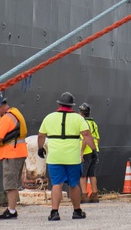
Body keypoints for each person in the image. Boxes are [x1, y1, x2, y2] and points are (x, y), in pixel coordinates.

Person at [37, 92, 96, 221]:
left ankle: (54, 212)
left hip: (55, 157)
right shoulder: (78, 118)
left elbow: (41, 135)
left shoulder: (49, 117)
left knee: (57, 184)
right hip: (72, 158)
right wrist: (93, 150)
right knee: (74, 184)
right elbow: (86, 134)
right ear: (72, 106)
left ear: (59, 104)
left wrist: (40, 148)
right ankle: (77, 211)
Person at [78, 102, 100, 203]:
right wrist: (95, 149)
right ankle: (94, 194)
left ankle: (84, 195)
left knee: (82, 175)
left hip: (86, 151)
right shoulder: (93, 123)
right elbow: (98, 138)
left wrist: (81, 152)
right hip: (95, 151)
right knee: (92, 174)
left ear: (82, 114)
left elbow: (84, 139)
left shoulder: (83, 123)